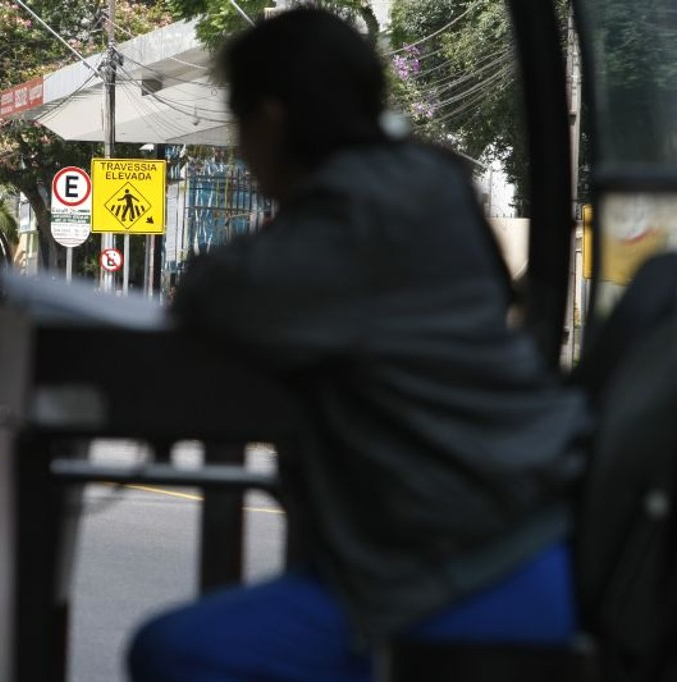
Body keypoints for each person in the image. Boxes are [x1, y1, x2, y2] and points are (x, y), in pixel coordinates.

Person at [127, 8, 589, 682]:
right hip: (521, 540)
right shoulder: (430, 183)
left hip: (456, 573)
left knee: (176, 652)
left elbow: (216, 293)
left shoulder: (351, 215)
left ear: (273, 121)